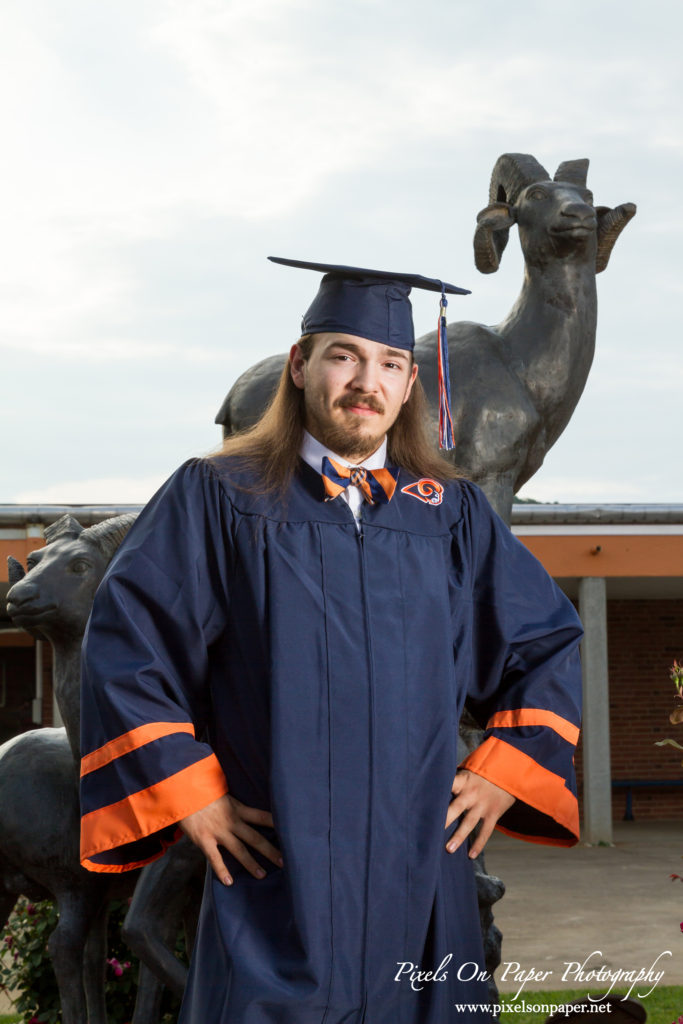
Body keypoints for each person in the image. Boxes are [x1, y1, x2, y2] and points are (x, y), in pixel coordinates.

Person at [79, 258, 583, 1024]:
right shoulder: (220, 498)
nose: (365, 381)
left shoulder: (449, 516)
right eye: (343, 355)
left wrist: (504, 770)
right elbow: (127, 646)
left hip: (423, 881)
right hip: (277, 876)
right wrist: (190, 793)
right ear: (299, 365)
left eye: (389, 363)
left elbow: (543, 645)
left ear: (409, 386)